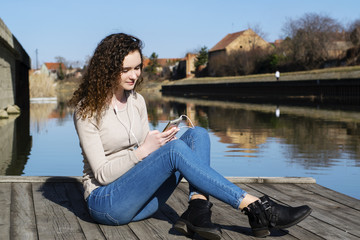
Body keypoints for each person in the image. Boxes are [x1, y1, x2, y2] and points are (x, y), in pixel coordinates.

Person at [69, 33, 312, 239]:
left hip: (141, 197)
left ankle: (197, 208)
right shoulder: (86, 110)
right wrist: (144, 151)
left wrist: (163, 140)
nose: (134, 75)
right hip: (107, 202)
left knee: (197, 135)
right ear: (108, 70)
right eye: (126, 70)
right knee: (174, 152)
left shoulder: (137, 101)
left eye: (137, 67)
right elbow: (101, 173)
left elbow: (146, 147)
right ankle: (254, 206)